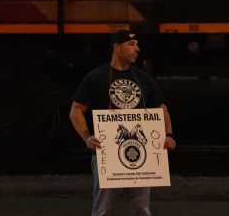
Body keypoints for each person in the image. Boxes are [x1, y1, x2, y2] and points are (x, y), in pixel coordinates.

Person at [69, 30, 176, 216]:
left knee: (141, 208)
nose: (137, 49)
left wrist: (168, 135)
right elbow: (76, 110)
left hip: (140, 153)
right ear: (117, 47)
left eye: (137, 45)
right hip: (106, 151)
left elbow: (162, 109)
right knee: (103, 208)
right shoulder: (96, 77)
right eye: (132, 45)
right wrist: (87, 137)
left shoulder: (143, 78)